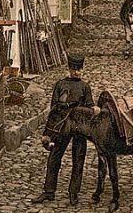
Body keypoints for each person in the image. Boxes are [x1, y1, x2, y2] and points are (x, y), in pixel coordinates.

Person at [31, 54, 93, 203]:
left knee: (78, 159)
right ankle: (49, 191)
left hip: (78, 127)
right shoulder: (60, 85)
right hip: (62, 127)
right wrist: (49, 132)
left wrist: (85, 111)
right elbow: (53, 109)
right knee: (54, 158)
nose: (76, 72)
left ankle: (73, 192)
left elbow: (90, 107)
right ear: (69, 69)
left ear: (82, 70)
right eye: (74, 69)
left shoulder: (85, 87)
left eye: (79, 69)